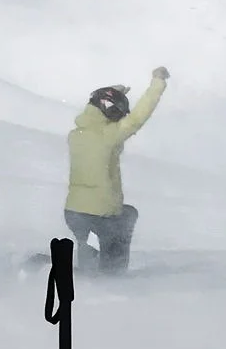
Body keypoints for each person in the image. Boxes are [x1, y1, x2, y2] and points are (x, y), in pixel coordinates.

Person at [65, 67, 167, 273]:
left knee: (89, 263)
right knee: (104, 269)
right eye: (116, 114)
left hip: (75, 213)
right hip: (100, 216)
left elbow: (95, 107)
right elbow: (138, 117)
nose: (118, 119)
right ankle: (112, 278)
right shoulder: (108, 137)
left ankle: (61, 270)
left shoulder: (77, 134)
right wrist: (158, 83)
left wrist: (111, 94)